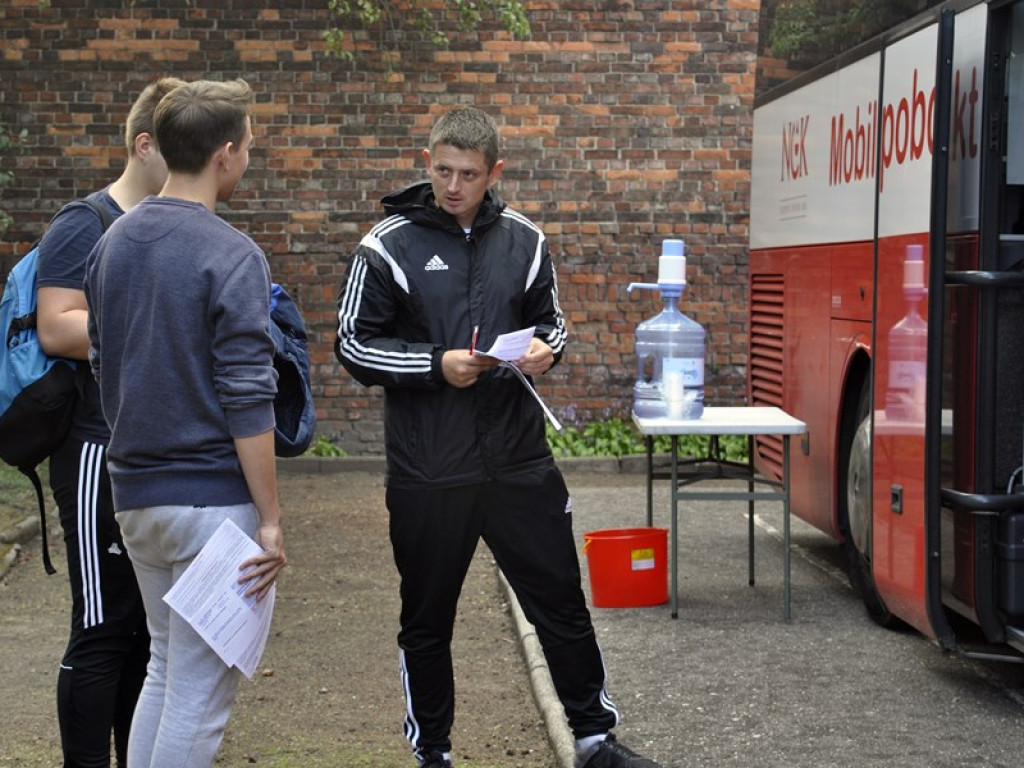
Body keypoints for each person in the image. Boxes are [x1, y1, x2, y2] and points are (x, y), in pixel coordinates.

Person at [335, 105, 662, 768]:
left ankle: (596, 741)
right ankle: (435, 753)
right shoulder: (386, 244)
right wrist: (436, 364)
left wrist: (546, 351)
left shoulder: (525, 240)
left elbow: (554, 324)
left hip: (518, 463)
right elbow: (352, 344)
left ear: (494, 173)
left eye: (469, 174)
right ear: (428, 162)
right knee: (426, 623)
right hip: (430, 470)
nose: (453, 185)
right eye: (443, 170)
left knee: (561, 604)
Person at [82, 78, 286, 768]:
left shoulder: (111, 245)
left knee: (167, 669)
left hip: (135, 496)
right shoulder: (233, 254)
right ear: (226, 154)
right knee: (198, 696)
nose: (249, 155)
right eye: (250, 144)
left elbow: (103, 364)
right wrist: (271, 519)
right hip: (211, 503)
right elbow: (248, 396)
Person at [36, 75, 186, 768]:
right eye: (178, 143)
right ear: (145, 143)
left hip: (145, 449)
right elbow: (58, 327)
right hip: (93, 446)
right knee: (101, 626)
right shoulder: (85, 221)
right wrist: (154, 327)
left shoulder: (168, 226)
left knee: (142, 635)